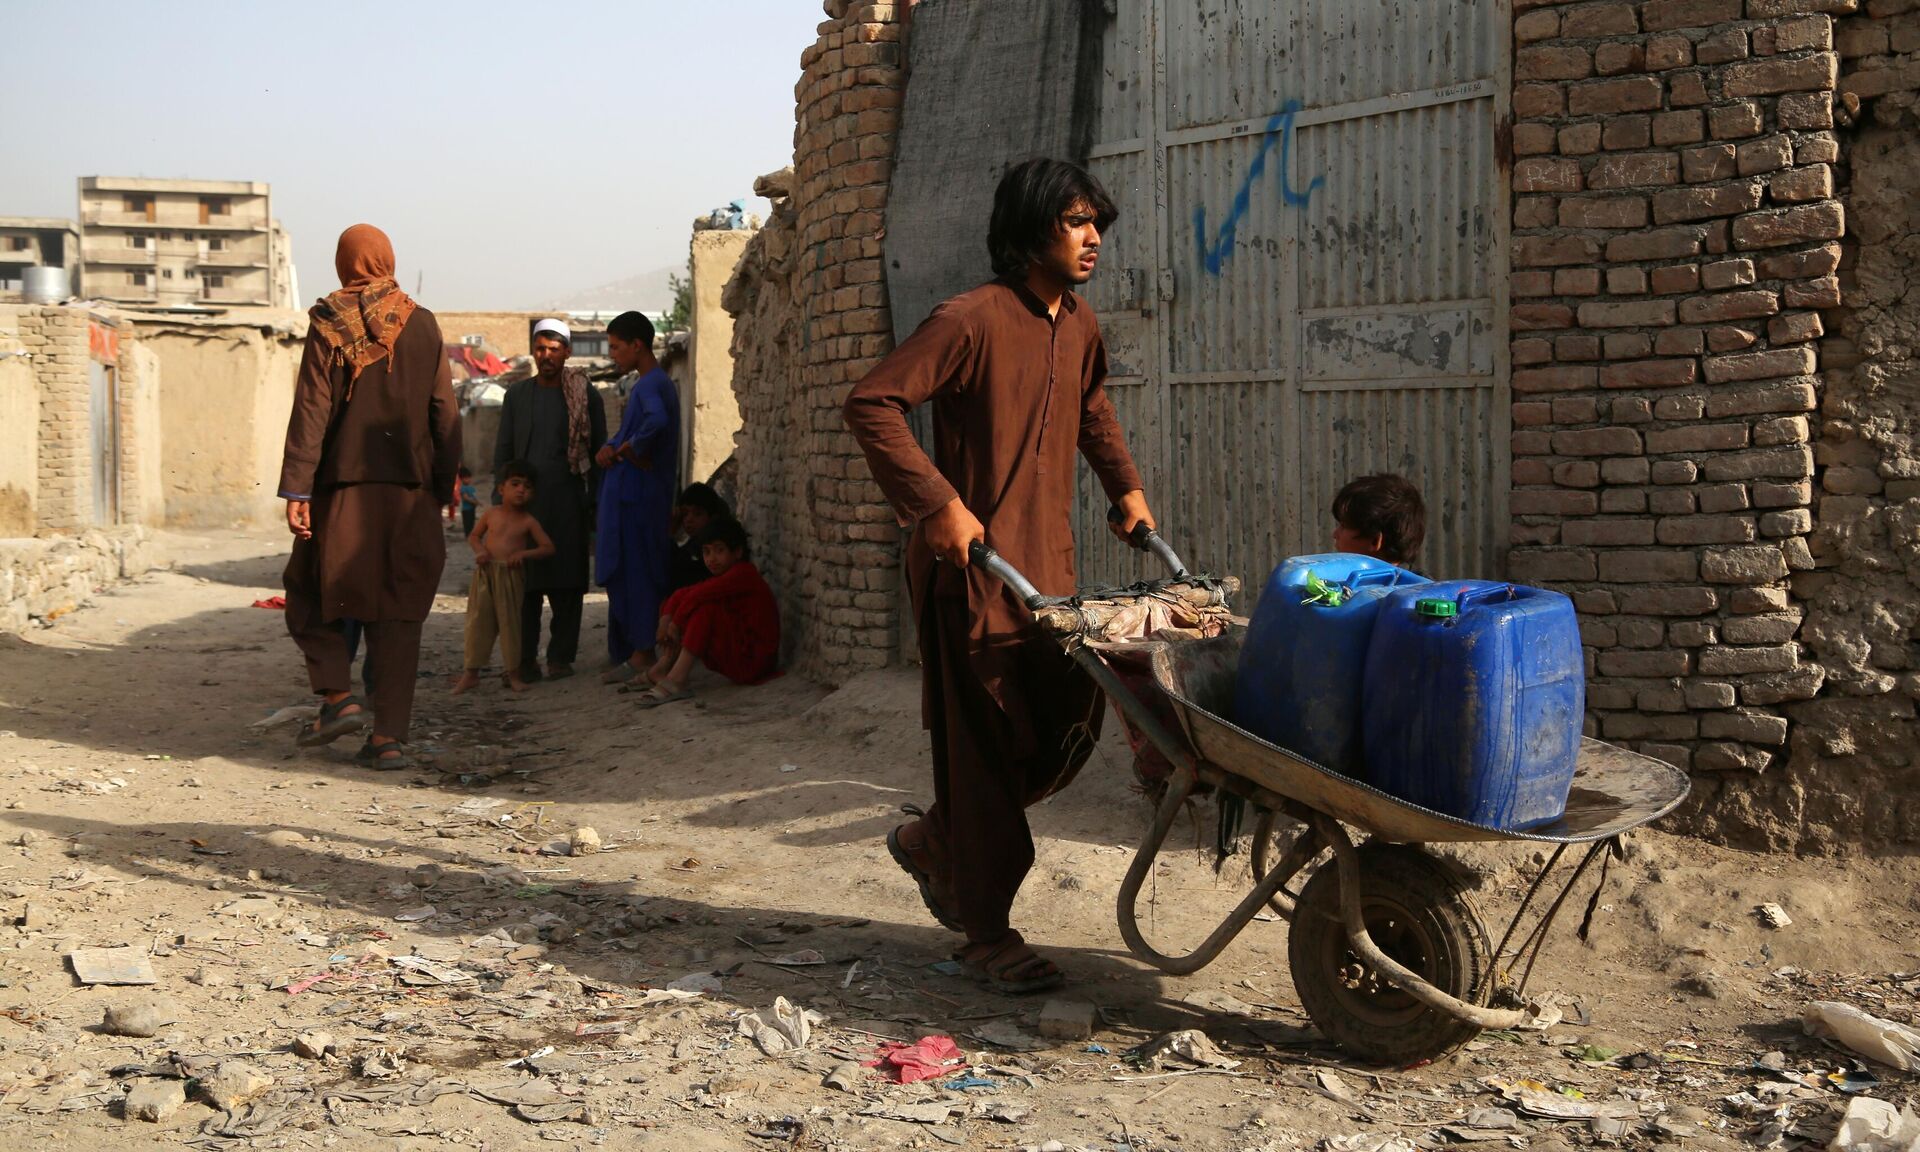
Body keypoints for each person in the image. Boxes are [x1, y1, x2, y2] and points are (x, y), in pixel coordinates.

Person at [843, 158, 1154, 993]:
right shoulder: (970, 318)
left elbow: (1092, 409)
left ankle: (935, 840)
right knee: (982, 748)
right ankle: (985, 931)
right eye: (1076, 221)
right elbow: (873, 403)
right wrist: (935, 503)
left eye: (1099, 224)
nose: (1093, 239)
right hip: (972, 570)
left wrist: (1123, 486)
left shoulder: (1080, 323)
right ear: (1031, 228)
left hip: (1046, 570)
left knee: (1058, 729)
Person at [279, 223, 460, 770]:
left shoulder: (329, 321)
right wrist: (440, 488)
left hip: (344, 495)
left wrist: (297, 486)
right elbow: (445, 415)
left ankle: (337, 697)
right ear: (386, 259)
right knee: (398, 614)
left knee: (311, 590)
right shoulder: (423, 325)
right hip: (410, 496)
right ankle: (388, 740)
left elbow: (312, 408)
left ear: (344, 263)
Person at [493, 318, 606, 682]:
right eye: (541, 349)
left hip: (569, 502)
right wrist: (504, 497)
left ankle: (560, 657)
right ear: (533, 351)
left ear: (567, 352)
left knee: (568, 584)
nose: (546, 356)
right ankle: (525, 660)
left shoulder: (584, 395)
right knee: (525, 586)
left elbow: (598, 450)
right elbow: (504, 450)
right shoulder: (517, 395)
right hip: (526, 505)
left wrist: (595, 502)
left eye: (554, 350)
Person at [595, 311, 680, 686]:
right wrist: (614, 446)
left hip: (638, 499)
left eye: (616, 347)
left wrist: (633, 449)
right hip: (638, 496)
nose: (612, 354)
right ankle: (636, 651)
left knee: (637, 573)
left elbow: (656, 423)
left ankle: (643, 653)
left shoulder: (650, 386)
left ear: (637, 345)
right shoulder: (650, 383)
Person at [630, 518, 779, 708]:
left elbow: (696, 597)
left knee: (705, 610)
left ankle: (676, 679)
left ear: (738, 552)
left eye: (719, 550)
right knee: (691, 604)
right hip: (742, 654)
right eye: (706, 552)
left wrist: (675, 623)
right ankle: (663, 668)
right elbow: (680, 595)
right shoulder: (725, 575)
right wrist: (665, 621)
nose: (712, 559)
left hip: (755, 662)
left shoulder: (743, 573)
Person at [454, 460, 555, 694]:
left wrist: (523, 553)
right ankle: (471, 674)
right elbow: (474, 536)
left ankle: (513, 674)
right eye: (515, 484)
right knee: (479, 623)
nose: (521, 490)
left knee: (510, 626)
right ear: (501, 489)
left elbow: (548, 548)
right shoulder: (491, 514)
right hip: (486, 574)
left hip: (510, 576)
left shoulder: (528, 521)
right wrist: (480, 551)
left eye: (527, 487)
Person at [1331, 473, 1426, 569]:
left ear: (1375, 541)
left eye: (1343, 526)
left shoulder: (1343, 582)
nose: (1335, 534)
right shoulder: (1423, 583)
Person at [668, 482, 731, 592]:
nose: (689, 519)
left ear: (712, 517)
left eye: (697, 514)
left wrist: (670, 534)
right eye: (685, 514)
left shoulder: (711, 549)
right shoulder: (692, 546)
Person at [457, 465, 480, 535]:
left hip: (472, 508)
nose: (468, 479)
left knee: (472, 522)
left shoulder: (471, 488)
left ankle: (471, 534)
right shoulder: (463, 488)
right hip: (466, 510)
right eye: (466, 478)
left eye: (469, 478)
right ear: (461, 479)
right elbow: (465, 498)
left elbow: (474, 496)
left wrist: (477, 502)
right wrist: (474, 502)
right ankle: (468, 535)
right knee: (467, 523)